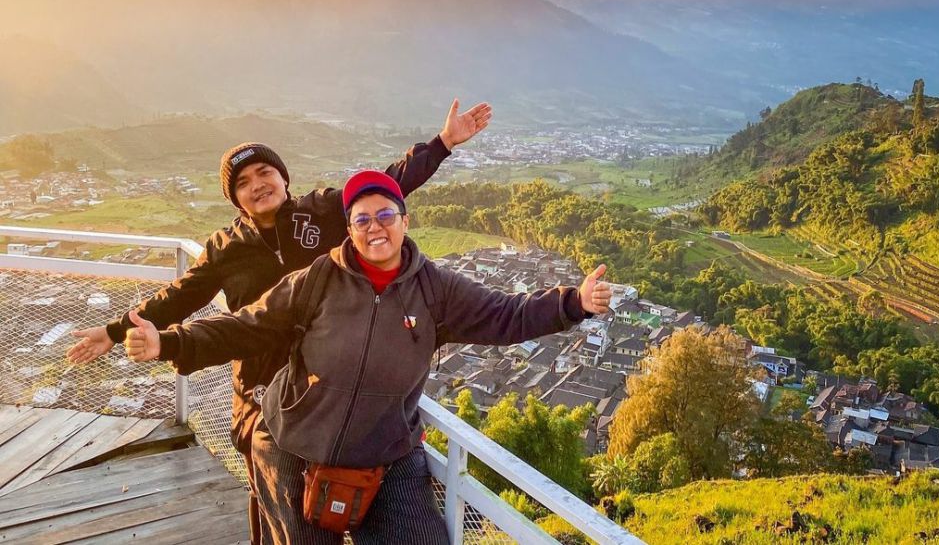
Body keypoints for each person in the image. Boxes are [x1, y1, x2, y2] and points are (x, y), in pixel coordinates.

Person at [67, 100, 491, 544]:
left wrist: (442, 144)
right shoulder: (225, 248)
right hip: (262, 391)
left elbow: (390, 183)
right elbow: (179, 297)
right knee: (282, 509)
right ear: (234, 198)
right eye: (243, 183)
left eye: (265, 173)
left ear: (283, 178)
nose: (257, 186)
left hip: (326, 390)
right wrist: (116, 332)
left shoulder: (322, 211)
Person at [125, 169, 612, 544]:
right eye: (361, 218)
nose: (374, 227)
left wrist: (575, 303)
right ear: (349, 229)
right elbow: (248, 326)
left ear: (404, 220)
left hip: (386, 453)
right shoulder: (319, 278)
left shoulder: (435, 289)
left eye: (385, 215)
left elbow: (507, 315)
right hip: (294, 444)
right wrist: (169, 342)